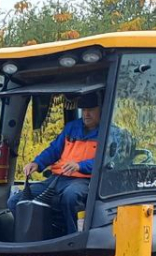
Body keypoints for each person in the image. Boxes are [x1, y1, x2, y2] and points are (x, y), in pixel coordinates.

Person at [8, 91, 104, 236]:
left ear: (101, 109)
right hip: (58, 179)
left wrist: (80, 166)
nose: (86, 114)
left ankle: (74, 238)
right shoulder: (72, 128)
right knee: (15, 201)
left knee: (71, 197)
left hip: (85, 180)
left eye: (90, 110)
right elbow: (54, 150)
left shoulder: (109, 132)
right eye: (83, 110)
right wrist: (37, 163)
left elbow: (107, 160)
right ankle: (34, 238)